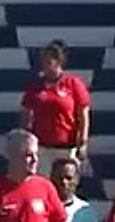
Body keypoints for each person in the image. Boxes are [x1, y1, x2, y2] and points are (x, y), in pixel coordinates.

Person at [21, 41, 91, 173]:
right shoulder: (35, 86)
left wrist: (83, 142)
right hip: (42, 147)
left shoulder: (73, 84)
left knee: (65, 182)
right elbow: (26, 113)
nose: (45, 66)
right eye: (43, 62)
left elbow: (83, 114)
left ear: (59, 62)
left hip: (67, 147)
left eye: (49, 62)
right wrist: (26, 140)